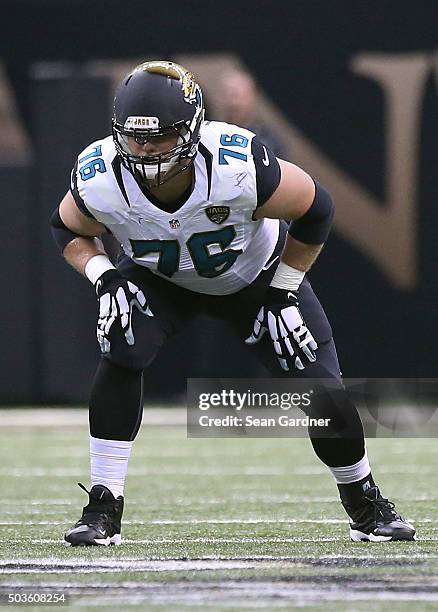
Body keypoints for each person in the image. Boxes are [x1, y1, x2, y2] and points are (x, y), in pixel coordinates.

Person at [50, 60, 415, 546]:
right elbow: (67, 228)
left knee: (323, 391)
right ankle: (102, 506)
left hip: (254, 279)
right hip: (160, 279)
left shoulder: (237, 164)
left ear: (193, 127)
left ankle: (364, 503)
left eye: (160, 138)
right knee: (122, 344)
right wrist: (105, 275)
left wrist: (285, 288)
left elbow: (317, 208)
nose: (145, 151)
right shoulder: (100, 175)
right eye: (135, 139)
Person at [217, 67, 287, 158]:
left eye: (237, 95)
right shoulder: (211, 134)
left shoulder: (268, 140)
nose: (234, 102)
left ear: (252, 97)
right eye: (228, 95)